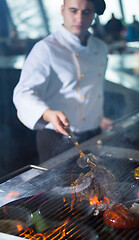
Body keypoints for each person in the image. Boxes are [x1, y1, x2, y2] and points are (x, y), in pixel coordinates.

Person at [13, 0, 112, 163]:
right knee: (58, 188)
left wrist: (97, 117)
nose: (79, 18)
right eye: (73, 11)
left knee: (96, 184)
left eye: (86, 12)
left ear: (94, 15)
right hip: (57, 138)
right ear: (62, 10)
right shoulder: (46, 48)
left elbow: (94, 90)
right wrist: (47, 113)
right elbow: (23, 93)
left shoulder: (100, 48)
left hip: (94, 134)